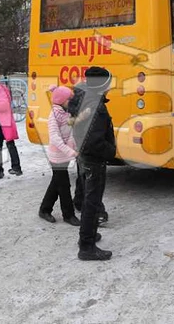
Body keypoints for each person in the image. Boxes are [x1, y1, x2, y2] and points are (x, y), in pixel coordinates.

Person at [73, 67, 116, 261]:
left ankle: (88, 235)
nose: (110, 87)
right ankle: (87, 247)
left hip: (84, 156)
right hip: (93, 159)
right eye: (108, 83)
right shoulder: (96, 106)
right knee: (92, 202)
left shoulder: (84, 98)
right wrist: (110, 151)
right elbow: (94, 140)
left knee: (89, 200)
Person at [39, 85, 80, 226]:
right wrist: (70, 151)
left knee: (56, 183)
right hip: (56, 156)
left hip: (65, 156)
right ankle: (68, 215)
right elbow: (55, 138)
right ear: (61, 100)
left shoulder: (66, 113)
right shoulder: (54, 116)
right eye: (69, 99)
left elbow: (70, 131)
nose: (71, 102)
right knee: (64, 185)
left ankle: (44, 209)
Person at [70, 82, 109, 225]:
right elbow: (95, 134)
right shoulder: (92, 105)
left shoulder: (79, 102)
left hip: (80, 146)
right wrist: (109, 150)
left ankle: (79, 201)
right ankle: (97, 213)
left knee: (83, 176)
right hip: (90, 151)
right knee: (93, 185)